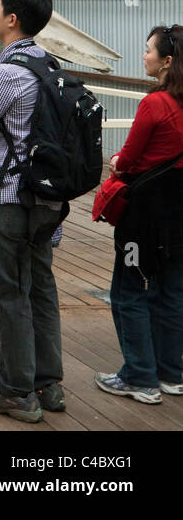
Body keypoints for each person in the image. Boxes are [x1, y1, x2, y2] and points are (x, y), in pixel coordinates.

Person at [0, 0, 65, 422]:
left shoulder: (3, 73)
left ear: (12, 20)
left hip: (5, 200)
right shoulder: (53, 67)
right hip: (47, 202)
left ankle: (16, 390)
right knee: (40, 288)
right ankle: (48, 383)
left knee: (10, 294)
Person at [96, 23, 183, 404]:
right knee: (171, 291)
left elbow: (126, 160)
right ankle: (171, 374)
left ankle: (139, 376)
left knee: (129, 290)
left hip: (144, 217)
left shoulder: (154, 103)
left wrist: (116, 161)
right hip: (179, 217)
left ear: (166, 61)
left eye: (149, 50)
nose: (144, 56)